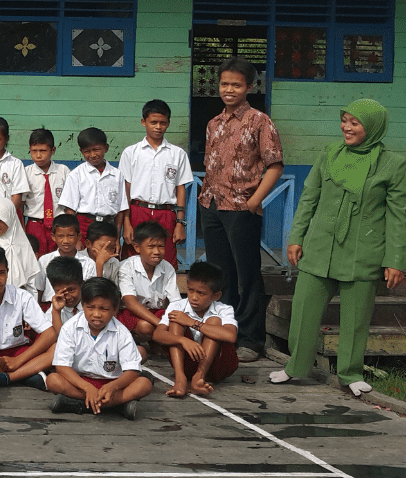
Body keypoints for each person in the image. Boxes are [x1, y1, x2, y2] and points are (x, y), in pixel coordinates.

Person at [272, 99, 405, 395]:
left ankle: (350, 374)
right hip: (319, 245)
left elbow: (398, 216)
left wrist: (395, 259)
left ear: (372, 127)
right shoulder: (329, 153)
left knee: (356, 317)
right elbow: (309, 198)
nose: (346, 127)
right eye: (344, 120)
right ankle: (296, 367)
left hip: (363, 250)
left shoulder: (392, 165)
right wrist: (296, 237)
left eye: (354, 123)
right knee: (305, 307)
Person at [199, 57, 284, 361]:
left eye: (236, 84)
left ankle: (250, 339)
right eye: (225, 84)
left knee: (247, 275)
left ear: (249, 86)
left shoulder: (259, 121)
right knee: (221, 276)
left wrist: (253, 200)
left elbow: (274, 165)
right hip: (211, 204)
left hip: (241, 209)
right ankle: (226, 333)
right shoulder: (213, 123)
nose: (229, 89)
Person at [46, 277, 152, 419]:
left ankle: (82, 405)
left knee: (144, 384)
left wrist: (112, 387)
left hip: (112, 383)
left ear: (115, 310)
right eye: (91, 307)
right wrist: (87, 388)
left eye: (104, 309)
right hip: (80, 383)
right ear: (83, 305)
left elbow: (132, 371)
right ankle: (116, 405)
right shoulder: (69, 328)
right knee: (53, 380)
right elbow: (62, 367)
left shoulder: (122, 332)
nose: (96, 314)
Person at [0, 245, 55, 388]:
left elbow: (49, 334)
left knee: (55, 349)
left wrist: (18, 360)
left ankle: (9, 378)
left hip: (19, 352)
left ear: (7, 271)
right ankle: (27, 375)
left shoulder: (21, 295)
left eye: (2, 273)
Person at [119, 100, 193, 267]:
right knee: (133, 260)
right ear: (143, 122)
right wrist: (126, 223)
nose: (158, 127)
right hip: (137, 211)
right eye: (153, 122)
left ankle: (163, 294)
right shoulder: (131, 152)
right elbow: (126, 190)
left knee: (166, 260)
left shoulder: (177, 154)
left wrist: (180, 223)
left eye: (163, 123)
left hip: (166, 214)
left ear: (168, 123)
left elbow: (180, 189)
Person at [157, 261, 238, 398]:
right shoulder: (178, 306)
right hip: (185, 365)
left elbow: (231, 336)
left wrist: (191, 322)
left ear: (216, 296)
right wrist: (182, 340)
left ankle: (198, 378)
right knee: (176, 320)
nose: (194, 297)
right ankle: (180, 379)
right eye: (190, 290)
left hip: (215, 367)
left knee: (214, 321)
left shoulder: (224, 309)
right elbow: (157, 334)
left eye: (201, 293)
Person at [117, 221, 180, 359]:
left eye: (161, 246)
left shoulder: (167, 268)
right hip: (132, 313)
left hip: (156, 311)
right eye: (151, 246)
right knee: (146, 327)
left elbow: (176, 302)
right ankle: (145, 339)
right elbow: (130, 303)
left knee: (176, 321)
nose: (157, 252)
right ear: (137, 247)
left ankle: (158, 340)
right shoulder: (126, 267)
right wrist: (161, 324)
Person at [59, 128, 128, 242]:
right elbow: (70, 210)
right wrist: (75, 238)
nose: (92, 155)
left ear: (106, 148)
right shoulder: (76, 174)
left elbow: (121, 209)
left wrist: (116, 236)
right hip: (84, 225)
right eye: (87, 151)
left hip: (109, 226)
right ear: (81, 151)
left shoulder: (117, 175)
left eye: (96, 149)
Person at [22, 128, 69, 258]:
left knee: (59, 259)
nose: (38, 155)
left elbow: (70, 203)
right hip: (34, 224)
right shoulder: (26, 173)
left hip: (58, 225)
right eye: (34, 151)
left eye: (43, 151)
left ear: (53, 150)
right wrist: (22, 231)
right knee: (35, 260)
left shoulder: (63, 171)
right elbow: (20, 205)